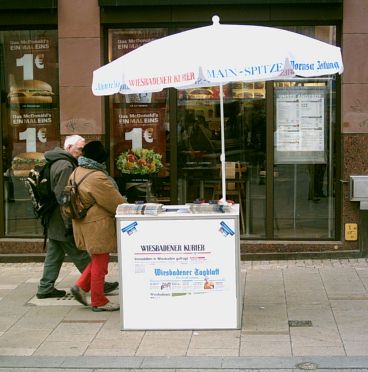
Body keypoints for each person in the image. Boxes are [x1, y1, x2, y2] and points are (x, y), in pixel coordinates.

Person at [36, 135, 118, 299]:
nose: (82, 152)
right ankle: (91, 284)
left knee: (55, 252)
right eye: (79, 149)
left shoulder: (56, 161)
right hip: (61, 217)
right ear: (68, 148)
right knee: (81, 253)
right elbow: (64, 198)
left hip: (52, 216)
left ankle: (45, 287)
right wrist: (69, 223)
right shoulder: (66, 166)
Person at [70, 141, 125, 311]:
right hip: (97, 224)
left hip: (83, 222)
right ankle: (99, 300)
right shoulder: (97, 177)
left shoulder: (77, 171)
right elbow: (115, 202)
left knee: (97, 258)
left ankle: (80, 286)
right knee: (101, 262)